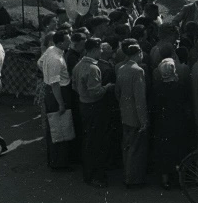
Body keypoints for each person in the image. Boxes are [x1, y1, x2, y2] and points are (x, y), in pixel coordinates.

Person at [72, 37, 112, 187]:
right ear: (94, 50)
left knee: (88, 141)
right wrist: (107, 87)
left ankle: (88, 173)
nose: (101, 51)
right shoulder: (94, 68)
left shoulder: (78, 65)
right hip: (94, 107)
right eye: (100, 49)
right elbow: (96, 92)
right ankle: (96, 176)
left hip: (83, 105)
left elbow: (74, 86)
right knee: (97, 142)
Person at [39, 30, 76, 169]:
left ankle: (56, 160)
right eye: (68, 40)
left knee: (55, 127)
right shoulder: (56, 58)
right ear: (61, 42)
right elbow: (55, 85)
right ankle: (59, 163)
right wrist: (61, 103)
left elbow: (39, 63)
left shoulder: (50, 50)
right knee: (60, 128)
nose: (70, 42)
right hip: (58, 93)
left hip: (53, 91)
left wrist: (46, 74)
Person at [115, 40, 149, 188]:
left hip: (125, 113)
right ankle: (134, 178)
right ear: (138, 54)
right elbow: (140, 99)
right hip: (135, 115)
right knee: (136, 149)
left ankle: (127, 175)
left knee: (127, 146)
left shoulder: (121, 68)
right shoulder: (138, 71)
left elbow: (118, 91)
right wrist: (144, 120)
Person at [151, 57, 188, 189]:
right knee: (178, 150)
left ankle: (165, 179)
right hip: (178, 122)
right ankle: (178, 178)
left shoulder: (156, 87)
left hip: (162, 123)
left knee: (164, 152)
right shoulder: (180, 87)